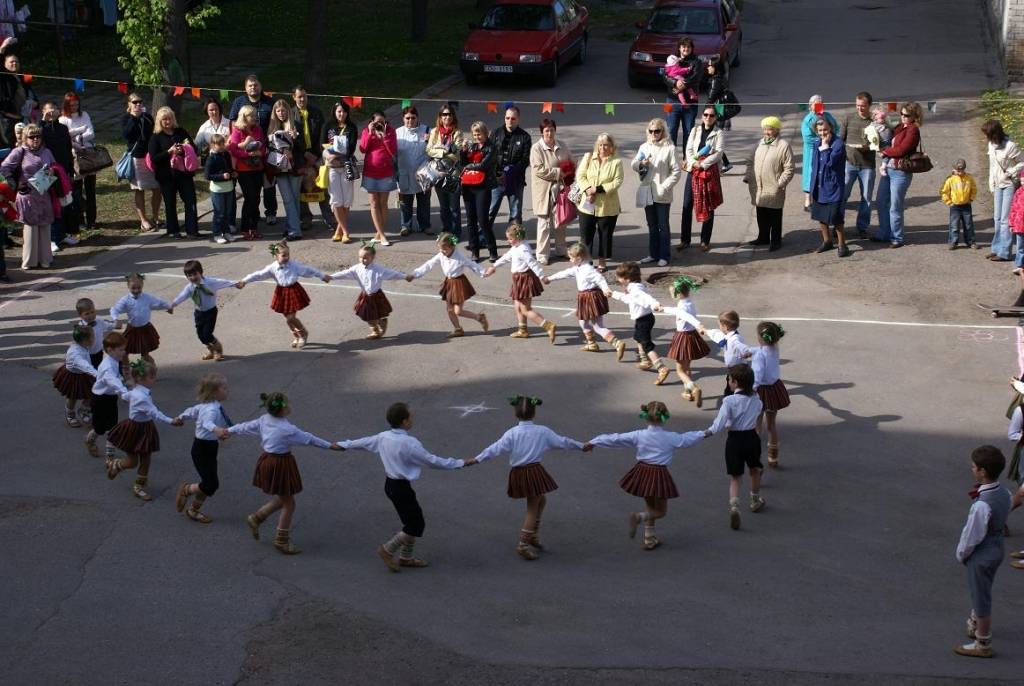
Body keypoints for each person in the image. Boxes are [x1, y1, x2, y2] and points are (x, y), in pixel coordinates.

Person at [339, 402, 473, 572]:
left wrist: (343, 444)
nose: (413, 419)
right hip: (401, 488)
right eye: (411, 417)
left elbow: (362, 442)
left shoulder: (383, 436)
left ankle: (406, 558)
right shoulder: (409, 443)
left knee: (411, 520)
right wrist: (460, 463)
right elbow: (432, 461)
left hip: (391, 486)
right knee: (415, 525)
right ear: (404, 422)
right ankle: (387, 550)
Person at [218, 391, 343, 555]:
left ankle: (257, 518)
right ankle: (281, 540)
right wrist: (330, 445)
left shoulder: (264, 419)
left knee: (283, 496)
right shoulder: (288, 429)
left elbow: (244, 426)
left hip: (267, 461)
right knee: (289, 504)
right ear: (284, 408)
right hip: (280, 464)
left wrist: (228, 431)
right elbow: (310, 439)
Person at [474, 395, 589, 560]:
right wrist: (581, 446)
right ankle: (523, 543)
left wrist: (477, 459)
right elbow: (562, 442)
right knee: (532, 508)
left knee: (541, 500)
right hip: (533, 472)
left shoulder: (512, 433)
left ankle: (533, 535)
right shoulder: (542, 431)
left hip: (519, 473)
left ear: (516, 414)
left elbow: (495, 448)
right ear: (534, 414)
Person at [584, 400, 706, 551]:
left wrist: (594, 441)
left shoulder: (639, 435)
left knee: (650, 504)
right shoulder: (670, 437)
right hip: (659, 474)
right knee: (660, 511)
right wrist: (704, 433)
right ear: (665, 417)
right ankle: (639, 517)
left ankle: (649, 538)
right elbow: (687, 439)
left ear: (646, 416)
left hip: (642, 472)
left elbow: (616, 438)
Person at [953, 445, 1012, 658]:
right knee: (983, 588)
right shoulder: (1004, 492)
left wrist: (961, 553)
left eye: (974, 467)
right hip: (997, 549)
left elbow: (972, 536)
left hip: (983, 553)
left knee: (981, 597)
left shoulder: (981, 505)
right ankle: (975, 622)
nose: (972, 469)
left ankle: (982, 642)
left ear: (982, 471)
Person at [105, 359, 184, 501]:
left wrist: (119, 388)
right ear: (140, 379)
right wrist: (171, 421)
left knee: (146, 458)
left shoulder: (138, 391)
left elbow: (125, 395)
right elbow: (155, 413)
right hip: (135, 430)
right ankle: (117, 465)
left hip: (145, 427)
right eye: (152, 377)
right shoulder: (141, 397)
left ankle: (139, 486)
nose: (154, 379)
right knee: (132, 461)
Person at [703, 363, 764, 530]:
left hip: (734, 440)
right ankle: (755, 499)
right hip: (751, 437)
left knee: (735, 477)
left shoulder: (729, 401)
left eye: (729, 379)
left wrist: (708, 432)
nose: (728, 381)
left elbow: (720, 422)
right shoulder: (756, 400)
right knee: (755, 469)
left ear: (735, 382)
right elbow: (758, 413)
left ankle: (735, 506)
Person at [235, 241, 330, 348]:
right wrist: (244, 281)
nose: (286, 257)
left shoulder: (294, 265)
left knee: (290, 318)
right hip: (281, 292)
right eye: (283, 255)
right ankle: (296, 336)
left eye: (288, 255)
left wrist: (322, 275)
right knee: (288, 319)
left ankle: (303, 334)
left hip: (293, 290)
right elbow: (258, 274)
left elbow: (308, 270)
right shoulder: (272, 267)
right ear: (275, 256)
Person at [542, 241, 625, 356]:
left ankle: (617, 343)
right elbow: (564, 273)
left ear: (579, 258)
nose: (570, 260)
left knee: (596, 325)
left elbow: (600, 278)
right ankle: (592, 343)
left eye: (571, 258)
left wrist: (606, 289)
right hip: (590, 297)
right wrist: (550, 278)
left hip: (589, 297)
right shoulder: (578, 267)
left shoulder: (588, 269)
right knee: (585, 322)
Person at [407, 232, 489, 338]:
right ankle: (458, 329)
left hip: (459, 284)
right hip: (449, 283)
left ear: (452, 247)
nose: (442, 252)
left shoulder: (460, 257)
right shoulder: (441, 254)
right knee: (450, 310)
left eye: (445, 249)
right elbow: (429, 264)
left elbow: (472, 265)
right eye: (441, 249)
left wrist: (484, 273)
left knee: (458, 311)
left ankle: (479, 317)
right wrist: (415, 274)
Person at [483, 223, 557, 342]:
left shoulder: (523, 249)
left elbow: (532, 263)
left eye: (510, 239)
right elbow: (506, 257)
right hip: (518, 279)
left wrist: (542, 276)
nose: (508, 241)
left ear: (518, 238)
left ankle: (548, 326)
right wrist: (494, 266)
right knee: (517, 306)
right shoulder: (516, 247)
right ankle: (523, 330)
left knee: (525, 309)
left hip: (524, 280)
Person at [175, 373, 231, 524]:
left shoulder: (207, 406)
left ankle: (194, 510)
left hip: (210, 446)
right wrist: (216, 430)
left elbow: (191, 411)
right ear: (214, 392)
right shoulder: (211, 410)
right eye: (224, 388)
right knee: (210, 483)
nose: (227, 390)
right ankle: (186, 490)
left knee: (210, 483)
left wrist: (180, 417)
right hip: (202, 449)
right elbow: (207, 423)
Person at [1, 123, 58, 269]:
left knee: (45, 227)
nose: (35, 139)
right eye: (32, 137)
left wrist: (52, 170)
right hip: (27, 195)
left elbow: (55, 166)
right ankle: (30, 262)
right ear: (25, 138)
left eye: (38, 136)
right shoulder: (19, 151)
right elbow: (5, 167)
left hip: (44, 194)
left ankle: (45, 260)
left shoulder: (46, 152)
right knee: (31, 229)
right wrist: (14, 184)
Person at [605, 261, 669, 384]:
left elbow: (645, 297)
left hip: (644, 320)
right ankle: (644, 360)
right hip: (644, 318)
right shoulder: (634, 286)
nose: (618, 279)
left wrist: (654, 304)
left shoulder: (635, 289)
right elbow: (628, 299)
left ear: (627, 279)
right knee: (638, 338)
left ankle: (661, 368)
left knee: (646, 344)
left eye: (619, 277)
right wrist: (613, 294)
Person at [330, 242, 408, 340]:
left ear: (373, 257)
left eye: (365, 258)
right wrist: (331, 277)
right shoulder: (357, 268)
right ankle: (379, 323)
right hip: (365, 296)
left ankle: (376, 329)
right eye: (360, 257)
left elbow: (392, 274)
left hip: (376, 295)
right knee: (365, 315)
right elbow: (345, 273)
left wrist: (405, 277)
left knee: (373, 314)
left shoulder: (378, 269)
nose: (362, 260)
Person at [227, 75, 277, 225]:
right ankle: (252, 217)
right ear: (245, 88)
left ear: (260, 86)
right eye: (250, 85)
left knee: (268, 184)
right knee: (252, 192)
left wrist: (266, 146)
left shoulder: (269, 102)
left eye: (255, 85)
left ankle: (271, 212)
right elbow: (233, 123)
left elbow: (275, 122)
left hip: (266, 147)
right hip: (244, 153)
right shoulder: (239, 102)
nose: (253, 87)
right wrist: (239, 144)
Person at [875, 101, 923, 249]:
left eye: (906, 115)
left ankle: (897, 237)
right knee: (881, 201)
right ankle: (884, 232)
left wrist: (884, 151)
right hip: (889, 169)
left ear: (914, 116)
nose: (903, 117)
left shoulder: (913, 130)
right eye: (901, 114)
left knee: (895, 206)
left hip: (901, 172)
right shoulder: (900, 127)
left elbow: (901, 150)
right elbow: (888, 139)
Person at [632, 117, 680, 266]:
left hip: (662, 193)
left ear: (662, 131)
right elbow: (634, 164)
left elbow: (676, 171)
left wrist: (665, 186)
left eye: (657, 131)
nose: (654, 134)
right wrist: (641, 163)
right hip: (647, 190)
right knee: (651, 225)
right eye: (651, 131)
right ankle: (653, 254)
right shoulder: (644, 147)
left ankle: (664, 256)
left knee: (662, 226)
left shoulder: (670, 148)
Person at [743, 116, 794, 251]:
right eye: (765, 129)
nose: (766, 132)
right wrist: (749, 177)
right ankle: (763, 238)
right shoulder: (758, 144)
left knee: (775, 216)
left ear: (776, 130)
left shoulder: (783, 146)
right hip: (758, 187)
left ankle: (776, 241)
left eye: (770, 129)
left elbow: (789, 168)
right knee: (761, 214)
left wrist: (780, 183)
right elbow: (749, 162)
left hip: (774, 187)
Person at [148, 106, 199, 239]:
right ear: (159, 121)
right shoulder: (155, 137)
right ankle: (173, 231)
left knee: (190, 200)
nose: (167, 121)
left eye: (169, 118)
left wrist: (183, 150)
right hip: (166, 175)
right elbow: (154, 158)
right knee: (170, 203)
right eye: (164, 119)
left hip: (184, 173)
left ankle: (192, 230)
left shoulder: (180, 132)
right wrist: (169, 152)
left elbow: (193, 147)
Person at [170, 259, 235, 361]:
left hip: (211, 312)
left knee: (207, 334)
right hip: (199, 313)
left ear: (200, 272)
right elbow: (181, 296)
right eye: (189, 275)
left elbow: (223, 282)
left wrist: (236, 284)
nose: (193, 277)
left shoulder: (210, 282)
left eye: (195, 274)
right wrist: (172, 305)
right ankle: (211, 350)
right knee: (200, 336)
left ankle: (218, 350)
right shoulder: (189, 288)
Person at [680, 107, 725, 252]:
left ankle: (705, 241)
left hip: (708, 172)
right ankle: (685, 240)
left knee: (709, 205)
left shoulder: (718, 133)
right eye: (706, 114)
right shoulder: (695, 130)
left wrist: (703, 164)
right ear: (702, 116)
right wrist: (694, 163)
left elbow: (718, 153)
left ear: (715, 118)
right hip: (693, 170)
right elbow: (688, 150)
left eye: (712, 115)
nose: (708, 117)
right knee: (687, 205)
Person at [576, 133, 623, 272]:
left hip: (607, 206)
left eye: (606, 145)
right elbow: (580, 176)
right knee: (586, 234)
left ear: (611, 147)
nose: (603, 147)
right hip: (587, 203)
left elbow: (617, 181)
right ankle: (587, 261)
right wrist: (587, 190)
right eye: (600, 145)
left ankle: (602, 261)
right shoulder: (588, 157)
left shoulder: (617, 162)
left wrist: (598, 189)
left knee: (605, 234)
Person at [290, 85, 334, 230]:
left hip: (316, 154)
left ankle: (329, 218)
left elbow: (322, 135)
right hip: (299, 156)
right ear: (294, 97)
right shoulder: (290, 114)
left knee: (321, 186)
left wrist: (314, 155)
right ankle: (306, 219)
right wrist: (303, 154)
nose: (302, 99)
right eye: (299, 96)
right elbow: (290, 140)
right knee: (302, 189)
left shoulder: (316, 112)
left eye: (304, 96)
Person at [529, 117, 572, 265]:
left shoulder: (563, 145)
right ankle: (542, 254)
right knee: (544, 223)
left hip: (561, 189)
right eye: (546, 130)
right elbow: (538, 169)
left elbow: (571, 162)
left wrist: (571, 170)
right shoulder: (536, 148)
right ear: (542, 132)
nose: (549, 133)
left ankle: (561, 249)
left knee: (561, 220)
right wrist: (559, 172)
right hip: (544, 191)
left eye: (552, 130)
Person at [663, 275, 709, 407]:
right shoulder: (689, 302)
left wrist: (699, 325)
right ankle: (687, 392)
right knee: (687, 366)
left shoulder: (682, 306)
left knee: (680, 370)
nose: (672, 294)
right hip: (692, 336)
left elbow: (685, 315)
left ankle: (694, 388)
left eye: (672, 292)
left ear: (678, 294)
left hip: (682, 337)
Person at [840, 92, 880, 238]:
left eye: (862, 106)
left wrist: (868, 148)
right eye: (857, 105)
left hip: (867, 166)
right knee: (842, 196)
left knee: (867, 198)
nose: (859, 108)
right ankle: (838, 225)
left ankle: (862, 227)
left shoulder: (875, 121)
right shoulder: (849, 118)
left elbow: (880, 142)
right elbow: (840, 140)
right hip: (849, 164)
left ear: (869, 105)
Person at [982, 119, 1023, 262]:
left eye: (988, 134)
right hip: (998, 184)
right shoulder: (991, 144)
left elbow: (1022, 162)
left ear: (995, 133)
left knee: (1005, 220)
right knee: (997, 218)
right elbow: (992, 165)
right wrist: (991, 183)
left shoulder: (1010, 146)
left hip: (1009, 184)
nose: (986, 137)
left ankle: (1004, 252)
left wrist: (1011, 172)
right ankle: (996, 248)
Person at [809, 117, 850, 257]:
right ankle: (827, 241)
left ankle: (842, 244)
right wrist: (811, 186)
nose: (822, 133)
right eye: (819, 130)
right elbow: (814, 165)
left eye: (825, 129)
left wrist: (826, 146)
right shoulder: (816, 143)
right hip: (819, 185)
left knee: (836, 217)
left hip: (833, 186)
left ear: (831, 128)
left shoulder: (838, 143)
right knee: (821, 215)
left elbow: (830, 162)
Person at [110, 272, 172, 363]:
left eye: (139, 288)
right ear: (128, 287)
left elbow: (159, 301)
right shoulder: (125, 299)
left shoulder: (147, 297)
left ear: (142, 286)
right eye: (133, 288)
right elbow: (114, 309)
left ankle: (151, 371)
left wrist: (168, 307)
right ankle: (125, 370)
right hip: (132, 329)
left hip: (145, 328)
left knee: (145, 354)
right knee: (125, 351)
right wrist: (115, 319)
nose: (136, 290)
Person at [750, 321, 789, 468]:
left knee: (757, 425)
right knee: (772, 424)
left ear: (760, 338)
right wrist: (751, 350)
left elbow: (757, 376)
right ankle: (773, 456)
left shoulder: (759, 355)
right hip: (774, 389)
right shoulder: (774, 348)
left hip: (761, 391)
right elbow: (762, 349)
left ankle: (755, 456)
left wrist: (750, 390)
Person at [121, 92, 161, 232]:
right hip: (137, 157)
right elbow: (126, 135)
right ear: (129, 104)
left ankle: (156, 217)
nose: (138, 104)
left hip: (150, 156)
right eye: (135, 102)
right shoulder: (126, 118)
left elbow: (153, 133)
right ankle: (143, 220)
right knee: (140, 189)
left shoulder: (147, 117)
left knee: (157, 188)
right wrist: (134, 118)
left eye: (140, 102)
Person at [85, 331, 128, 460]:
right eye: (121, 350)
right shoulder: (108, 366)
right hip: (100, 400)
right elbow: (113, 381)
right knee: (100, 429)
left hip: (110, 398)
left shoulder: (114, 360)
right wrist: (124, 392)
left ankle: (110, 458)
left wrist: (123, 381)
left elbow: (117, 377)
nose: (124, 352)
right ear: (110, 350)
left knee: (112, 428)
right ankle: (90, 440)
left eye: (124, 349)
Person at [460, 121, 499, 261]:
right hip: (468, 185)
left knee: (483, 220)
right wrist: (463, 151)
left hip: (483, 186)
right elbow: (462, 163)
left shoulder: (491, 148)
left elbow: (483, 165)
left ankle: (492, 250)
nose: (477, 136)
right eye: (475, 134)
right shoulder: (472, 146)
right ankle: (474, 250)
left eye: (479, 133)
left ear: (485, 133)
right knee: (471, 220)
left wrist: (470, 166)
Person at [39, 102, 75, 253]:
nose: (52, 112)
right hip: (48, 171)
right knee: (51, 205)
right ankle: (52, 239)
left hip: (62, 170)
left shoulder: (63, 128)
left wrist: (70, 170)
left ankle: (62, 234)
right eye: (48, 110)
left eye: (54, 109)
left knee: (63, 204)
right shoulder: (42, 129)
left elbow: (68, 149)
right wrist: (43, 120)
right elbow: (35, 134)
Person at [266, 99, 304, 240]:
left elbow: (304, 147)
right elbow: (268, 148)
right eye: (278, 111)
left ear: (288, 111)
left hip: (295, 168)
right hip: (279, 168)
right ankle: (294, 229)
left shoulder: (296, 125)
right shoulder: (271, 128)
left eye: (283, 110)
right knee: (288, 199)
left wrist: (295, 140)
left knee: (294, 199)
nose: (281, 113)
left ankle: (293, 229)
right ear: (274, 113)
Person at [227, 105, 267, 241]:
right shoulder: (237, 130)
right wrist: (248, 153)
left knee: (256, 198)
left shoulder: (258, 129)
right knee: (249, 198)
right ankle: (245, 228)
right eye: (252, 116)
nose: (255, 118)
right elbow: (233, 149)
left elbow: (263, 144)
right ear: (244, 117)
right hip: (244, 170)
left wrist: (260, 152)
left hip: (258, 168)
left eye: (256, 115)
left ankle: (254, 228)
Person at [59, 92, 97, 232]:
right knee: (76, 190)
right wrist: (79, 134)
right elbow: (65, 137)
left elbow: (91, 133)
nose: (75, 107)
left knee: (90, 189)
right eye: (71, 105)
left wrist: (77, 137)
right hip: (74, 157)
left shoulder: (84, 115)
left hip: (88, 154)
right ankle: (79, 218)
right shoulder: (63, 119)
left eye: (76, 104)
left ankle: (92, 219)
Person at [194, 98, 234, 233]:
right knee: (219, 200)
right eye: (211, 110)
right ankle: (219, 230)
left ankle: (230, 224)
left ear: (220, 109)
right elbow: (196, 144)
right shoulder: (204, 127)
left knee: (230, 197)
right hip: (214, 162)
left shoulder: (229, 123)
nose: (214, 112)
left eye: (216, 109)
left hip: (228, 160)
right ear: (207, 111)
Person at [359, 110, 398, 246]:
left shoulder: (390, 131)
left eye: (382, 122)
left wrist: (384, 136)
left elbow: (393, 150)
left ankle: (379, 233)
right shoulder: (366, 131)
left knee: (383, 203)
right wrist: (370, 133)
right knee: (374, 203)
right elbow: (363, 148)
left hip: (386, 172)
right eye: (377, 122)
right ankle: (382, 235)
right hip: (370, 172)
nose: (380, 124)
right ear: (372, 122)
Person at [488, 105, 531, 227]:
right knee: (490, 211)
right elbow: (489, 155)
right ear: (504, 118)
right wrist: (497, 174)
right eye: (507, 118)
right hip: (496, 180)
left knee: (515, 214)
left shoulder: (525, 137)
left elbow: (525, 160)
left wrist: (509, 172)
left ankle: (516, 241)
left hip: (515, 181)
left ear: (518, 119)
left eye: (513, 118)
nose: (509, 121)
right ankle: (482, 238)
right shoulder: (496, 133)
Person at [425, 105, 464, 239]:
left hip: (453, 174)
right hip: (438, 173)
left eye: (449, 114)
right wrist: (445, 150)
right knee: (444, 206)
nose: (447, 117)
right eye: (444, 115)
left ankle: (456, 232)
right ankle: (446, 230)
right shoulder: (434, 132)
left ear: (453, 117)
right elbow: (429, 150)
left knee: (454, 206)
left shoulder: (457, 133)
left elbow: (457, 154)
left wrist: (439, 150)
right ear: (440, 117)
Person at [322, 101, 358, 243]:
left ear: (347, 113)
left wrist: (339, 156)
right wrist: (329, 156)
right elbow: (322, 144)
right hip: (332, 167)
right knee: (336, 201)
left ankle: (339, 230)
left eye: (343, 111)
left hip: (346, 165)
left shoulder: (352, 127)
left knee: (346, 200)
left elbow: (351, 148)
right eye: (338, 111)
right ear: (334, 112)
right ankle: (346, 231)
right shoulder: (328, 126)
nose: (341, 114)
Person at [395, 106, 432, 237]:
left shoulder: (427, 130)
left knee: (424, 201)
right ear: (403, 119)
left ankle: (425, 225)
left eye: (413, 118)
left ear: (417, 118)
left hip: (423, 173)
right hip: (404, 173)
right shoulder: (397, 133)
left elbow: (434, 150)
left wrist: (430, 141)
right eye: (407, 118)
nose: (410, 120)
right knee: (405, 202)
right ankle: (406, 225)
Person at [52, 324, 97, 428]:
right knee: (72, 397)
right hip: (73, 376)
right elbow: (86, 366)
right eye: (93, 337)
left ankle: (83, 410)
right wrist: (99, 375)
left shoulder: (82, 346)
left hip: (83, 374)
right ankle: (70, 415)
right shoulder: (75, 355)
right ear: (85, 340)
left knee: (91, 393)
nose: (95, 338)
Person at [800, 95, 838, 211]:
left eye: (821, 104)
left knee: (825, 172)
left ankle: (822, 198)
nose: (819, 106)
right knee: (811, 173)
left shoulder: (828, 116)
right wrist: (822, 140)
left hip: (827, 148)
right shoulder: (808, 119)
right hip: (812, 151)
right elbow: (807, 138)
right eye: (816, 104)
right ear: (811, 106)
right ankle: (808, 200)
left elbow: (836, 128)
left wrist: (830, 140)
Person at [662, 37, 703, 147]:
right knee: (670, 131)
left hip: (690, 102)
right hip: (671, 101)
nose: (686, 49)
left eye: (688, 47)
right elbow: (665, 76)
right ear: (679, 48)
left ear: (692, 48)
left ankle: (687, 160)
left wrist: (683, 85)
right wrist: (675, 83)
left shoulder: (697, 61)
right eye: (683, 46)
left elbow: (696, 77)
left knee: (689, 132)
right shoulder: (672, 59)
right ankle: (671, 160)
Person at [203, 134, 237, 244]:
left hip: (229, 187)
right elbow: (208, 176)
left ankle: (226, 232)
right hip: (217, 190)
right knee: (219, 213)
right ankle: (217, 234)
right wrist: (222, 176)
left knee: (227, 212)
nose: (222, 146)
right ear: (212, 145)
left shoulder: (226, 154)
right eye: (219, 144)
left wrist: (233, 173)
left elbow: (229, 169)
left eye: (223, 143)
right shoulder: (211, 158)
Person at [940, 159, 978, 250]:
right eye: (958, 170)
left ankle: (970, 242)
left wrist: (971, 199)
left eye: (961, 170)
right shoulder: (950, 179)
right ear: (954, 169)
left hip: (966, 205)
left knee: (968, 225)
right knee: (954, 225)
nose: (960, 172)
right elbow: (943, 192)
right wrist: (949, 202)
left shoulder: (969, 178)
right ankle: (953, 242)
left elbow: (974, 189)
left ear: (964, 169)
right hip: (955, 206)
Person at [715, 310, 754, 399]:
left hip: (737, 371)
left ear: (725, 326)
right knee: (734, 389)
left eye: (720, 325)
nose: (719, 327)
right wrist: (705, 331)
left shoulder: (734, 339)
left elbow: (740, 346)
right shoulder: (730, 336)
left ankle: (731, 404)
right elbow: (716, 335)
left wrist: (746, 351)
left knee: (732, 392)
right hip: (734, 370)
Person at [76, 296, 115, 368]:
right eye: (87, 314)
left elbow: (107, 325)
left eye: (92, 312)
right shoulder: (80, 327)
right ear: (80, 315)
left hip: (99, 351)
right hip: (86, 354)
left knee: (98, 367)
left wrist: (115, 325)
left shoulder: (99, 321)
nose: (91, 315)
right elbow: (78, 342)